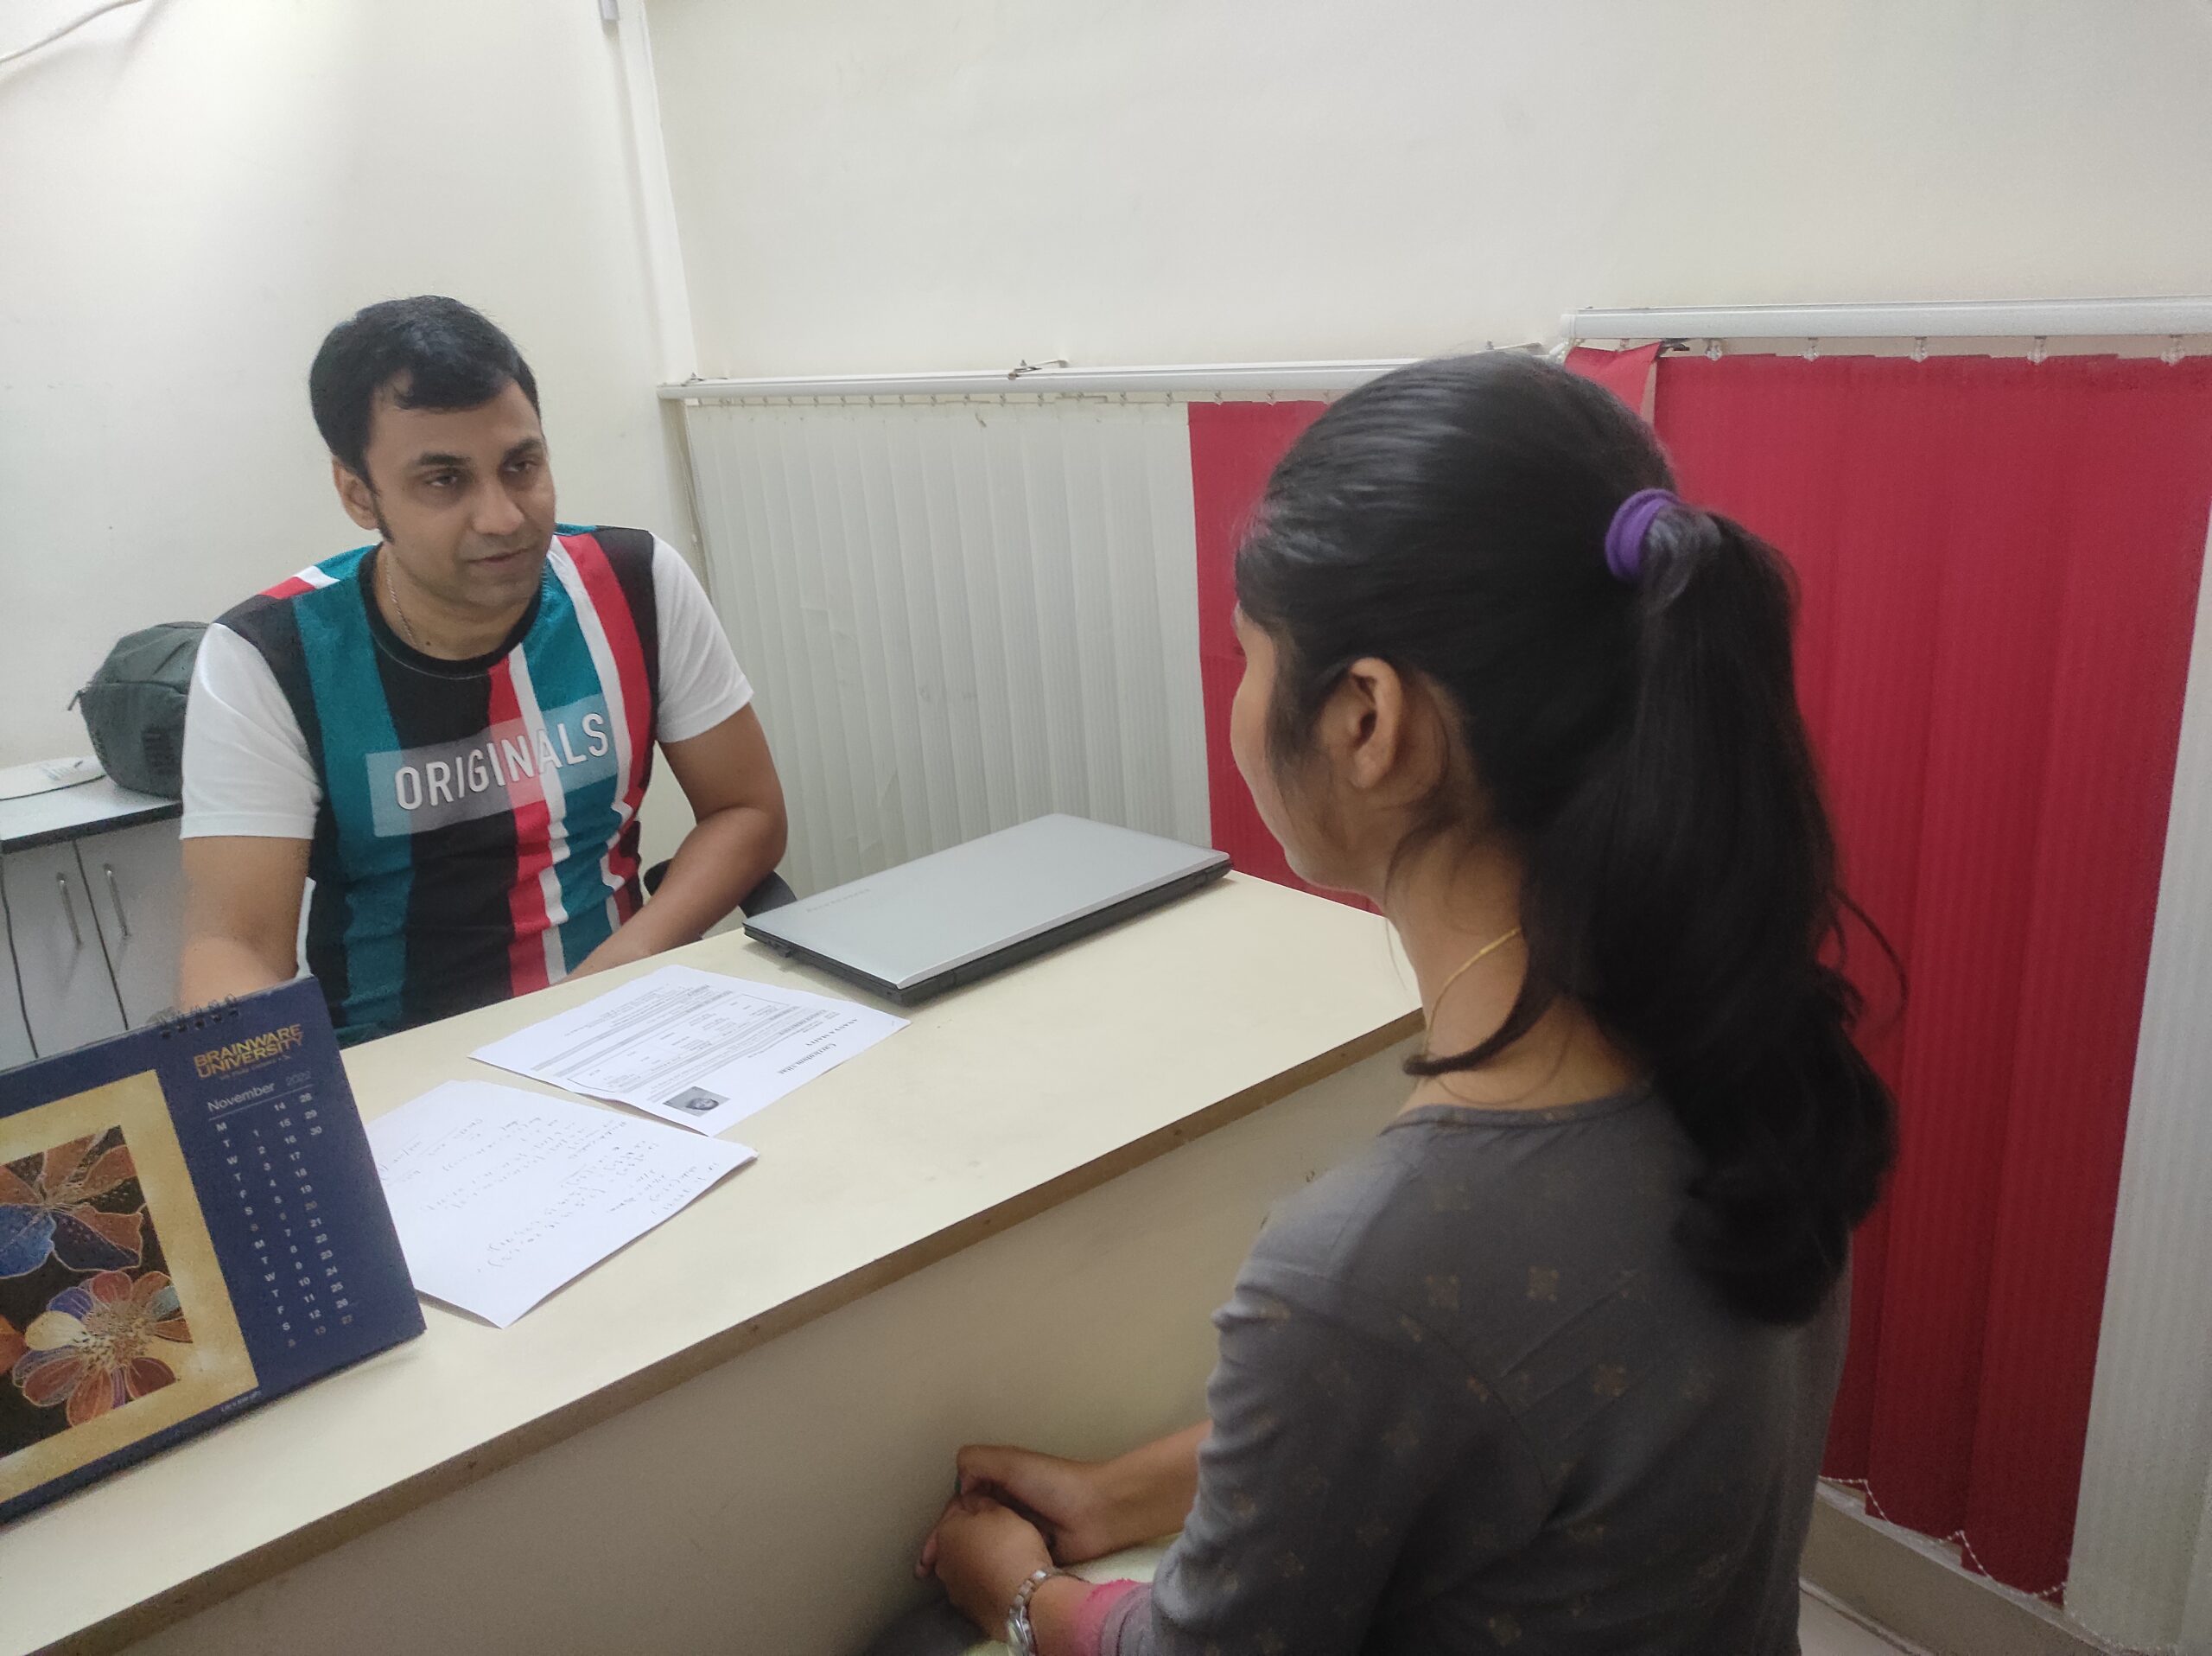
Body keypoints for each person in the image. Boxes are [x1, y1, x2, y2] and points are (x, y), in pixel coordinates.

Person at [896, 353, 1897, 1654]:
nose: (1240, 699)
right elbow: (1453, 1403)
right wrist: (1113, 1496)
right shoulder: (1757, 1055)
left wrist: (1024, 1593)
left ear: (1368, 718)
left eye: (1250, 655)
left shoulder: (1368, 1263)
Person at [178, 296, 786, 1043]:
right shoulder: (269, 657)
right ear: (359, 494)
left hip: (623, 1021)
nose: (503, 517)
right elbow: (233, 945)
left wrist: (615, 976)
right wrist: (266, 1087)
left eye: (521, 466)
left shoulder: (636, 583)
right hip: (397, 1057)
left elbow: (745, 811)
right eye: (445, 481)